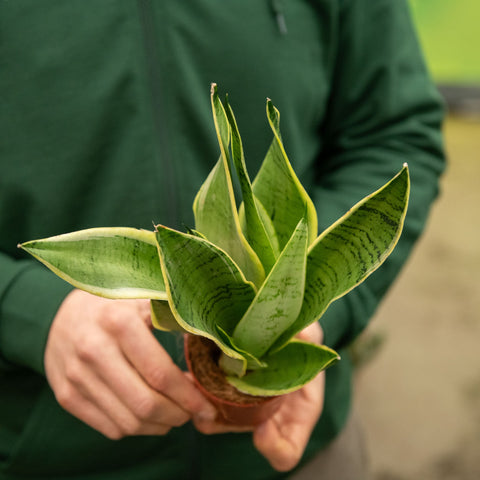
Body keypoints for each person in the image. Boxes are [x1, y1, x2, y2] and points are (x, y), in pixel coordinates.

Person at [0, 1, 445, 479]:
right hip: (46, 453)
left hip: (298, 453)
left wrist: (311, 310)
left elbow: (394, 133)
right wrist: (26, 309)